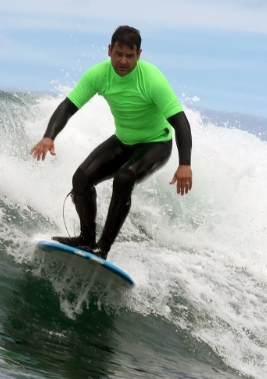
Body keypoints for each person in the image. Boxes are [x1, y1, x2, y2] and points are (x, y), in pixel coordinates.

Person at [30, 25, 193, 260]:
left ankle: (102, 248)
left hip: (156, 143)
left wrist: (184, 163)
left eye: (129, 55)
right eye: (118, 53)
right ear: (109, 50)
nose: (123, 61)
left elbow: (180, 121)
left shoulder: (152, 79)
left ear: (139, 55)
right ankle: (86, 238)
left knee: (124, 177)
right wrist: (49, 136)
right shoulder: (99, 74)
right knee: (81, 178)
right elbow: (68, 106)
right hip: (123, 140)